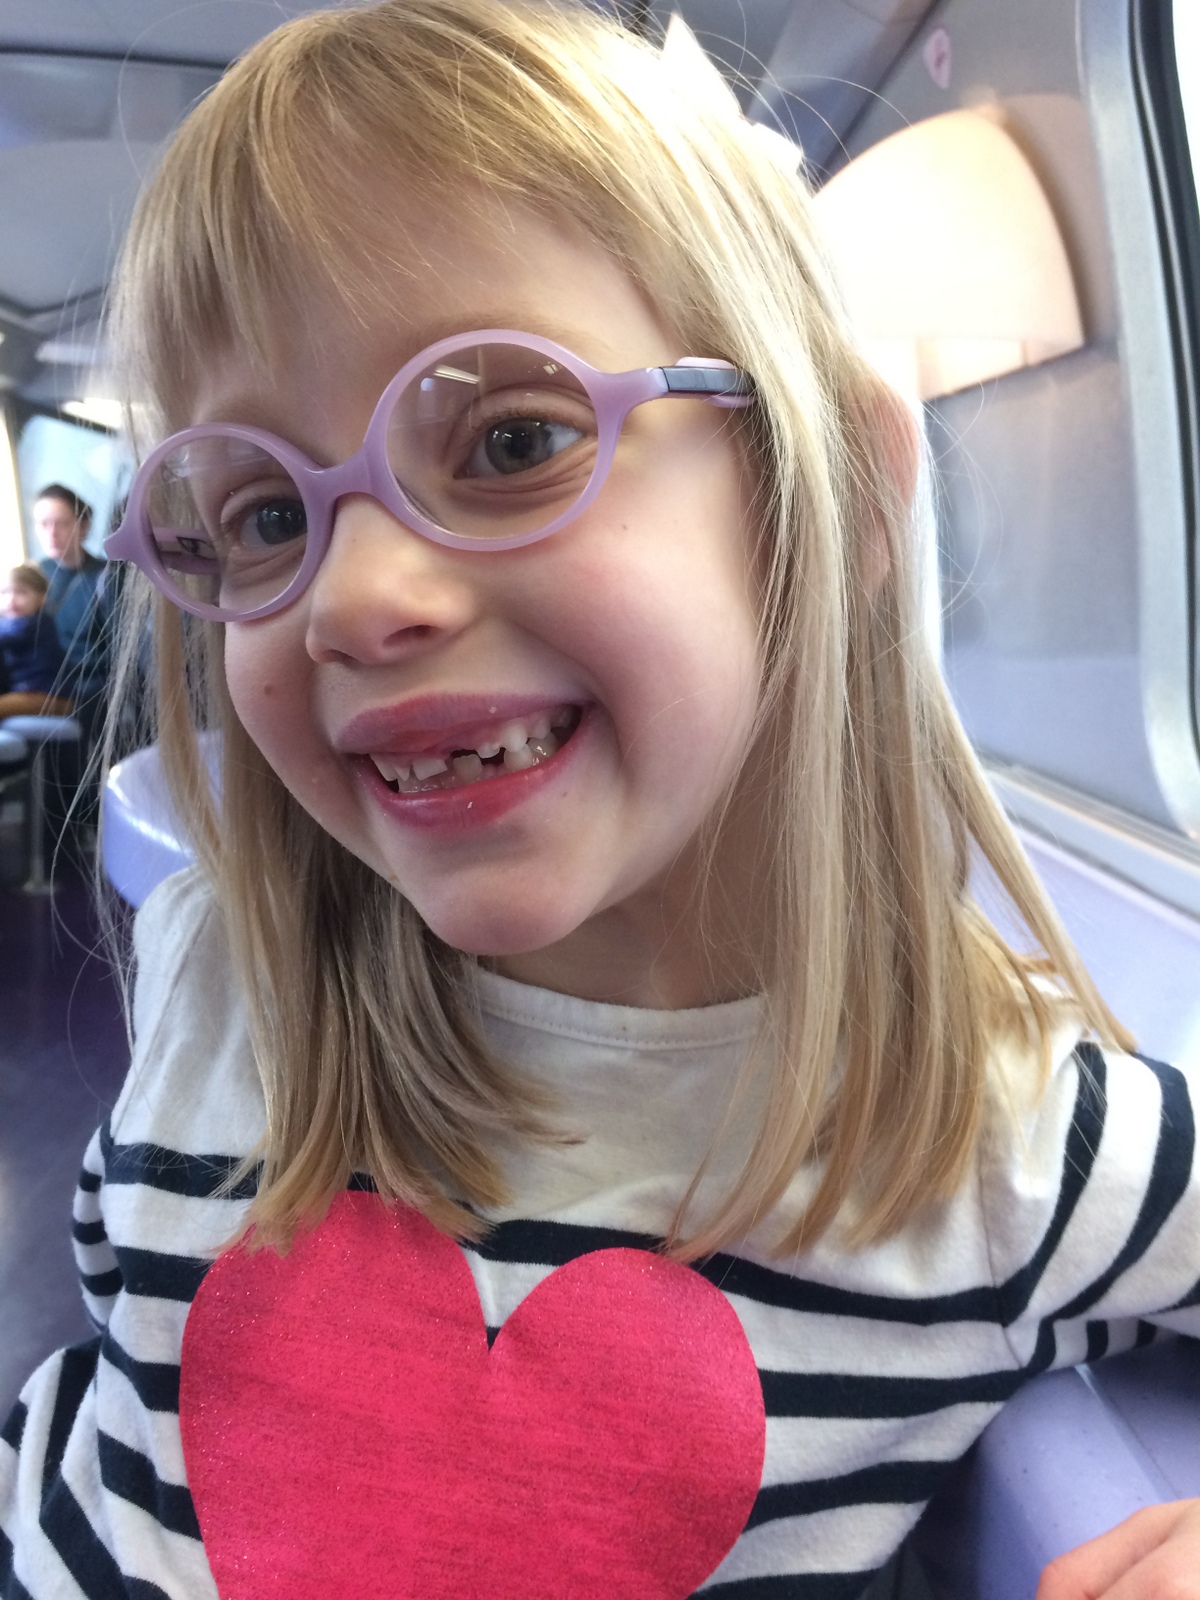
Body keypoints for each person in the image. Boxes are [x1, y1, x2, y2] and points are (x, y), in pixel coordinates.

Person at [2, 3, 1198, 1596]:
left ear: (827, 494)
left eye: (510, 439)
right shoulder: (219, 967)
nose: (355, 598)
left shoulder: (1010, 1145)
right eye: (267, 514)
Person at [0, 563, 72, 718]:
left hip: (50, 697)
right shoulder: (11, 622)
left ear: (42, 598)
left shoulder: (36, 622)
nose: (11, 599)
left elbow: (10, 634)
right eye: (4, 592)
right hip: (29, 692)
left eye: (21, 592)